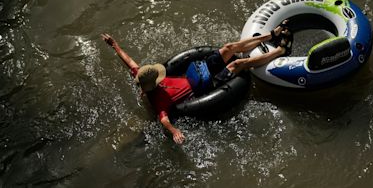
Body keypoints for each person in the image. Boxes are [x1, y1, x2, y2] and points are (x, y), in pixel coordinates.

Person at [101, 21, 292, 144]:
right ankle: (280, 51)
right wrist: (175, 132)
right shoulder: (158, 100)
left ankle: (271, 35)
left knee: (228, 48)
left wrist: (114, 45)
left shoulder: (144, 76)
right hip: (207, 86)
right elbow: (164, 119)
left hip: (198, 72)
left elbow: (130, 62)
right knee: (237, 64)